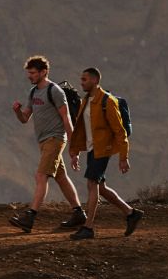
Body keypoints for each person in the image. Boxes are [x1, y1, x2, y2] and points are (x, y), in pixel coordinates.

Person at [9, 55, 86, 233]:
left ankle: (30, 217)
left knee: (41, 176)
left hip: (56, 139)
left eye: (33, 73)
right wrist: (17, 111)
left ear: (44, 72)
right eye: (29, 73)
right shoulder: (33, 92)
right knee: (60, 177)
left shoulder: (55, 91)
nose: (30, 76)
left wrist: (74, 149)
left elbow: (67, 120)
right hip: (43, 141)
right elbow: (25, 118)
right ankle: (79, 214)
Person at [67, 67, 145, 239]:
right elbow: (81, 129)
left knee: (91, 184)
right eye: (81, 79)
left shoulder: (107, 101)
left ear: (95, 80)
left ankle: (88, 227)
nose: (81, 82)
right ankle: (131, 213)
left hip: (102, 150)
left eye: (84, 79)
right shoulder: (86, 100)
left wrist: (123, 158)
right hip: (91, 148)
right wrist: (75, 152)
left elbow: (120, 131)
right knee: (100, 187)